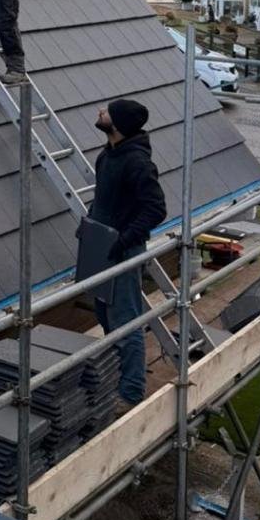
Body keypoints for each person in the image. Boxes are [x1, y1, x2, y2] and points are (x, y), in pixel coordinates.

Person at [84, 98, 167, 408]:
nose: (100, 112)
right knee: (105, 314)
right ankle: (116, 375)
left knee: (125, 319)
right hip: (100, 246)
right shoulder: (107, 156)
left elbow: (156, 209)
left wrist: (123, 240)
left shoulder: (137, 163)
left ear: (117, 124)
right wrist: (90, 226)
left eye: (106, 111)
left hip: (121, 251)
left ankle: (130, 392)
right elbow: (104, 199)